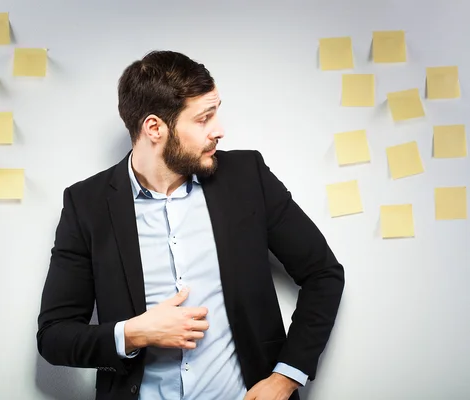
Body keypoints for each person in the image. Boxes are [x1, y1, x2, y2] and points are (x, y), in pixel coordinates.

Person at [36, 50, 345, 400]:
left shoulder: (247, 178)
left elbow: (323, 274)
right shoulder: (86, 205)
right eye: (204, 119)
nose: (219, 130)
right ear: (155, 127)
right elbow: (54, 336)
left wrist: (286, 377)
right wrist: (134, 333)